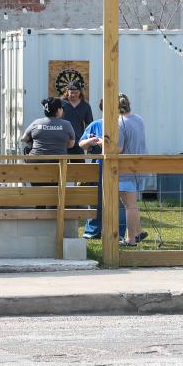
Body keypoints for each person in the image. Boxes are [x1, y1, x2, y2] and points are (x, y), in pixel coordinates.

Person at [78, 99, 126, 240]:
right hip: (97, 167)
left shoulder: (122, 125)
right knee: (96, 199)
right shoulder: (95, 124)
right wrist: (91, 141)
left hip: (118, 168)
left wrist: (103, 143)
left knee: (119, 201)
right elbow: (82, 144)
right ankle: (93, 230)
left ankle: (119, 233)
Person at [116, 93, 148, 246]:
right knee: (132, 203)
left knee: (129, 205)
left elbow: (119, 148)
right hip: (140, 167)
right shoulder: (139, 119)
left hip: (125, 170)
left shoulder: (119, 123)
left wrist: (103, 142)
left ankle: (130, 239)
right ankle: (139, 231)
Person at [61, 81, 93, 159]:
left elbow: (89, 124)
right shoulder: (61, 103)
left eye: (76, 92)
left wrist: (87, 140)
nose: (73, 95)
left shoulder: (85, 105)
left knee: (79, 169)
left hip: (78, 143)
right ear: (67, 91)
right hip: (62, 143)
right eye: (71, 92)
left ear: (80, 92)